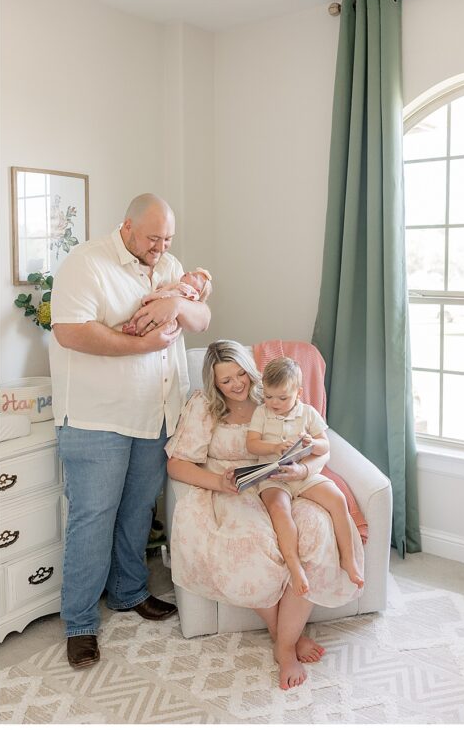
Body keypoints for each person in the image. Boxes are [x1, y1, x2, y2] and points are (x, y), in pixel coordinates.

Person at [49, 193, 211, 669]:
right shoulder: (86, 263)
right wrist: (143, 344)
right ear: (127, 227)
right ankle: (80, 623)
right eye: (153, 239)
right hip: (97, 417)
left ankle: (128, 590)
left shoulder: (169, 267)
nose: (161, 248)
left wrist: (176, 301)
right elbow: (70, 331)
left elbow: (202, 319)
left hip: (155, 413)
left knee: (139, 509)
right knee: (93, 517)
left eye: (168, 239)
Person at [166, 340, 363, 691]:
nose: (237, 384)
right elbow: (177, 464)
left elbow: (319, 447)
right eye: (226, 380)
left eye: (241, 374)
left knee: (316, 529)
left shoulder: (273, 397)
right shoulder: (204, 406)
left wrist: (303, 470)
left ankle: (286, 636)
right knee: (252, 542)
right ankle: (285, 643)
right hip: (232, 488)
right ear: (214, 383)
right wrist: (218, 482)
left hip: (285, 479)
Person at [246, 357, 364, 594]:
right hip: (274, 477)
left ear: (298, 393)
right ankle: (294, 565)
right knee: (279, 509)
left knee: (338, 499)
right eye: (268, 396)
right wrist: (273, 447)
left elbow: (325, 446)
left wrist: (313, 443)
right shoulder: (261, 413)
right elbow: (252, 444)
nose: (274, 403)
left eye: (282, 398)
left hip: (304, 475)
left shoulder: (308, 414)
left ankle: (348, 558)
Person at [121, 267, 212, 336]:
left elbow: (168, 295)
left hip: (163, 319)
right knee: (144, 319)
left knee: (148, 322)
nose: (189, 272)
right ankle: (134, 330)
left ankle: (134, 330)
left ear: (197, 290)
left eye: (194, 276)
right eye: (192, 272)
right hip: (156, 314)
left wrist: (151, 297)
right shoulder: (180, 285)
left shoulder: (187, 289)